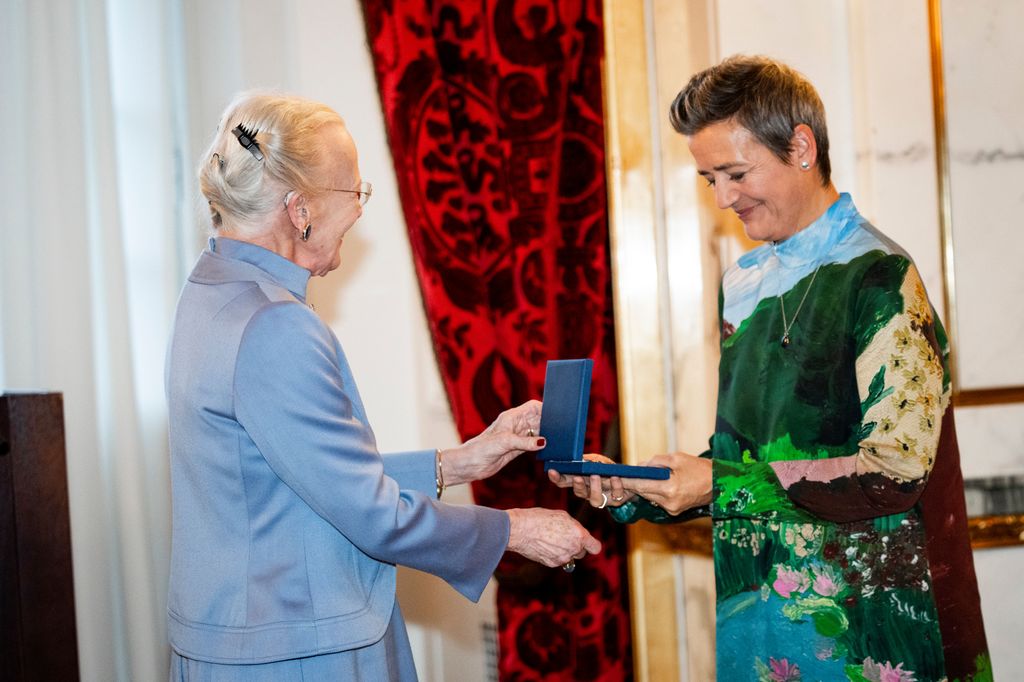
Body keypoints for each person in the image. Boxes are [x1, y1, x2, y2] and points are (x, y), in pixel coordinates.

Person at [551, 56, 991, 681]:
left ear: (802, 146)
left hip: (868, 630)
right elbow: (747, 456)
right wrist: (641, 488)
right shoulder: (744, 283)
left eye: (734, 172)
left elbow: (894, 472)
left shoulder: (881, 276)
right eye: (709, 180)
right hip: (754, 626)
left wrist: (717, 482)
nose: (724, 198)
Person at [165, 91, 601, 680]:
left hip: (249, 640)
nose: (361, 209)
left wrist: (463, 461)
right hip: (299, 651)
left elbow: (305, 480)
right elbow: (372, 515)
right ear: (300, 210)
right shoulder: (275, 325)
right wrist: (515, 529)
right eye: (355, 191)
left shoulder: (211, 293)